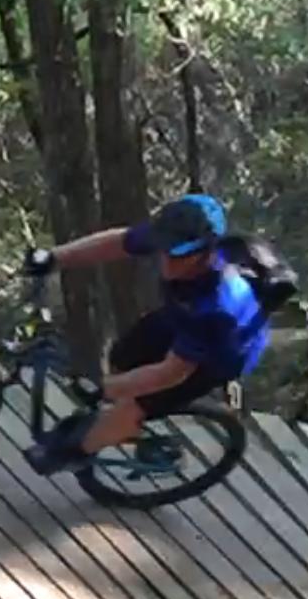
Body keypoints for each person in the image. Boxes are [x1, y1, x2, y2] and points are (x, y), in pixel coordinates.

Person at [18, 193, 273, 474]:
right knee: (122, 356)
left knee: (133, 405)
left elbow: (171, 373)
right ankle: (116, 421)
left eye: (177, 253)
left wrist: (109, 388)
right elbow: (117, 243)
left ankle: (73, 452)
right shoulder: (172, 237)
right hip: (181, 319)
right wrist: (54, 258)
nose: (166, 260)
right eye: (162, 249)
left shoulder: (218, 305)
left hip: (218, 352)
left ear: (206, 252)